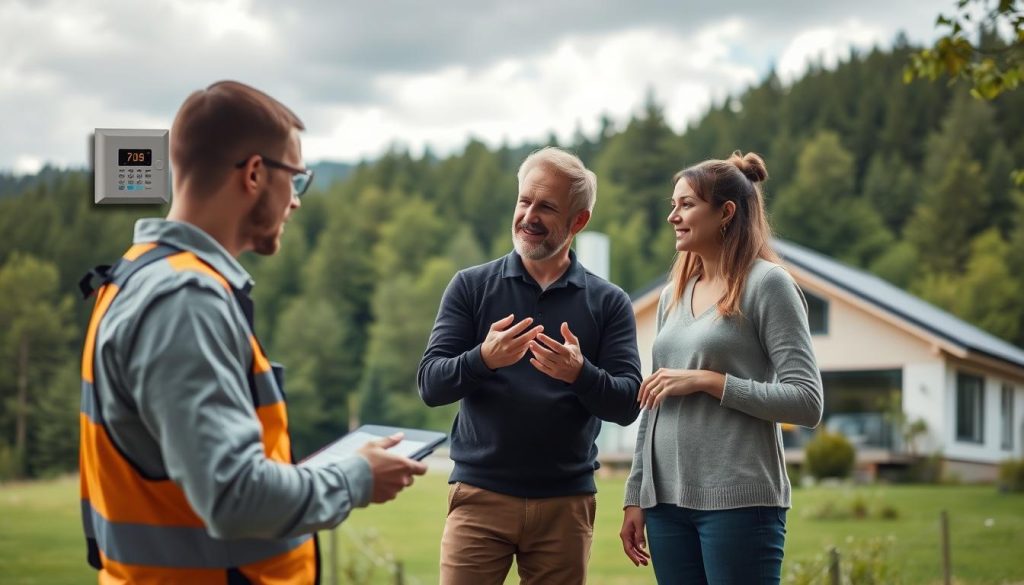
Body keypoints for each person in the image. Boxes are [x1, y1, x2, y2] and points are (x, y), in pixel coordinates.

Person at [78, 80, 426, 584]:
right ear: (256, 173)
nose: (296, 202)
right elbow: (233, 496)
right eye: (297, 180)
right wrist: (357, 476)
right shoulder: (185, 302)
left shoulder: (138, 275)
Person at [417, 146, 642, 584]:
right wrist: (484, 358)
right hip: (480, 496)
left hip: (565, 504)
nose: (529, 215)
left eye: (547, 207)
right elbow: (430, 384)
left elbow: (627, 403)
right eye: (525, 201)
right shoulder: (471, 286)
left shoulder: (608, 302)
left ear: (579, 221)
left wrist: (580, 374)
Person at [619, 151, 823, 584]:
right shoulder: (674, 294)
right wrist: (636, 494)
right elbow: (652, 400)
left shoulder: (768, 284)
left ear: (726, 212)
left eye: (687, 204)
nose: (673, 216)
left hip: (740, 504)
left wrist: (710, 381)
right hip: (667, 506)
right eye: (673, 205)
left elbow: (807, 402)